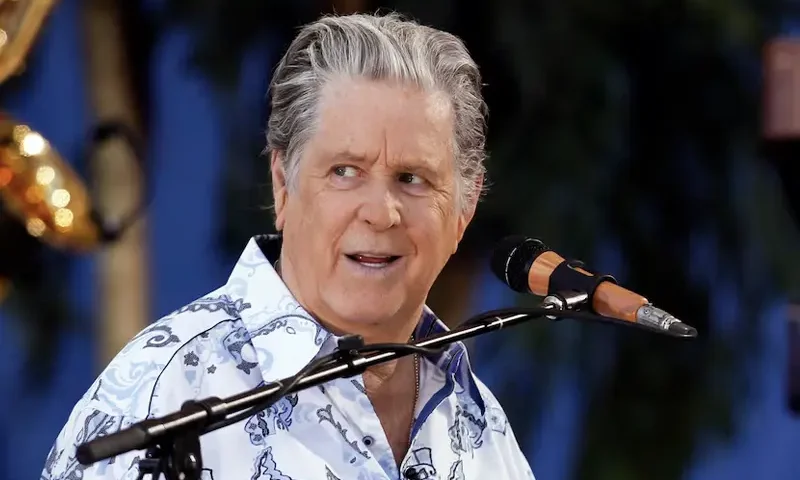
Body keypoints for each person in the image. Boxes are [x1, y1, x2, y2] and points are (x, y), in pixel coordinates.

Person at [42, 12, 535, 480]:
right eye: (345, 171)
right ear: (282, 183)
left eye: (413, 178)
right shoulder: (162, 397)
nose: (381, 211)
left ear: (464, 208)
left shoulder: (480, 422)